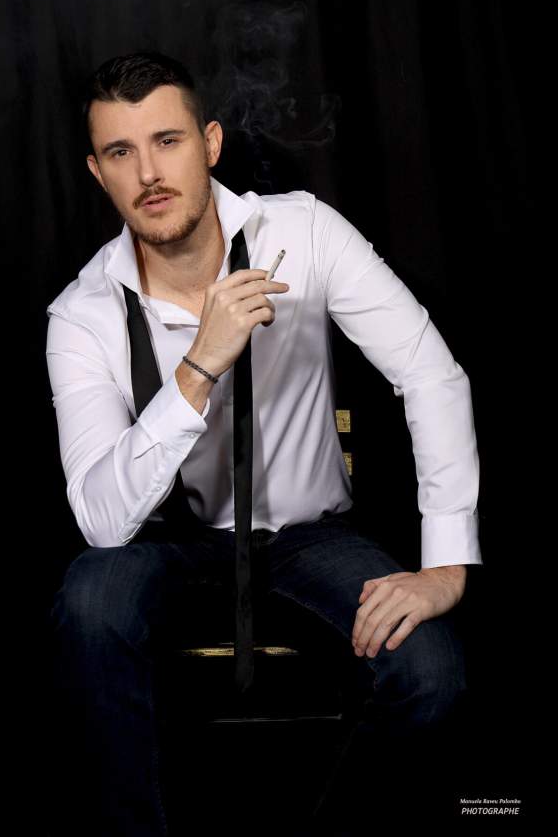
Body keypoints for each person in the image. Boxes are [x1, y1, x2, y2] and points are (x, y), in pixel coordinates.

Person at [46, 51, 482, 835]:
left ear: (210, 142)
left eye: (168, 140)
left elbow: (430, 373)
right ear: (96, 171)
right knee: (89, 598)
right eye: (120, 151)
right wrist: (199, 365)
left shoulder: (304, 232)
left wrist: (446, 563)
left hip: (308, 536)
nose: (148, 172)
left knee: (432, 670)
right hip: (166, 542)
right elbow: (103, 521)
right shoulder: (82, 315)